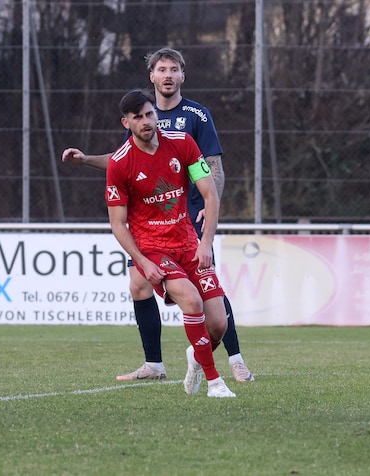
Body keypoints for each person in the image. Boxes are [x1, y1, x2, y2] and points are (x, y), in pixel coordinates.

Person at [62, 47, 254, 384]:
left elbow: (215, 170)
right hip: (148, 224)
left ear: (182, 75)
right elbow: (124, 159)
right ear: (152, 76)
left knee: (209, 292)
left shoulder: (197, 115)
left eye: (173, 69)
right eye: (161, 69)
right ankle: (154, 364)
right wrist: (86, 160)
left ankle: (235, 358)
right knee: (138, 284)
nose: (167, 75)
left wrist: (208, 212)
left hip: (189, 220)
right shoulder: (140, 113)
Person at [107, 89, 235, 397]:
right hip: (153, 248)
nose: (146, 121)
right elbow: (117, 224)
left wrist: (206, 243)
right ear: (127, 122)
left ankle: (197, 354)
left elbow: (210, 195)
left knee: (218, 324)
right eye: (138, 117)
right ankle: (215, 382)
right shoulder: (119, 163)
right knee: (190, 301)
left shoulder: (182, 142)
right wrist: (144, 261)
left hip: (189, 242)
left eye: (149, 114)